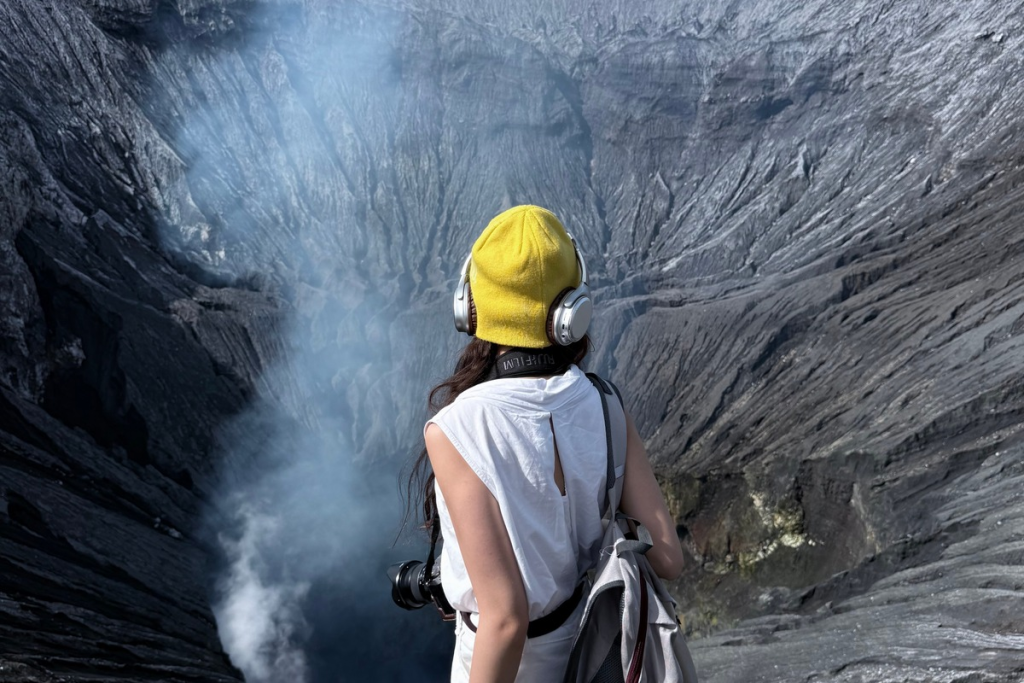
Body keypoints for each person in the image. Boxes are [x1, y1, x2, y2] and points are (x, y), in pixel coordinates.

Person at [412, 205, 684, 683]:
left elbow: (506, 619)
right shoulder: (604, 404)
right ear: (571, 311)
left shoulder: (456, 430)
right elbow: (668, 558)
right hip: (593, 652)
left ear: (470, 306)